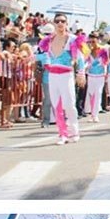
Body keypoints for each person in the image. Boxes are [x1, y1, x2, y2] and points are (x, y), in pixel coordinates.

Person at [37, 13, 87, 144]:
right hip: (53, 76)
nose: (60, 23)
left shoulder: (72, 39)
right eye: (57, 21)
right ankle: (62, 134)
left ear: (66, 24)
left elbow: (80, 58)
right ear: (54, 23)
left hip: (66, 76)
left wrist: (80, 74)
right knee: (56, 105)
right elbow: (43, 55)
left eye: (63, 21)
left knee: (69, 105)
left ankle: (74, 131)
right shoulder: (49, 40)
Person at [85, 33, 107, 123]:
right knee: (90, 94)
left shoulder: (103, 50)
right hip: (91, 75)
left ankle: (95, 114)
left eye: (93, 41)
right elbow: (85, 61)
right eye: (90, 42)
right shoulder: (88, 51)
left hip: (100, 75)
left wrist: (106, 72)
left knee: (98, 94)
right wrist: (86, 67)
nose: (92, 43)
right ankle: (91, 114)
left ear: (98, 40)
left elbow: (106, 62)